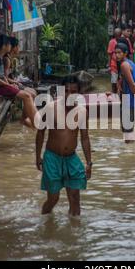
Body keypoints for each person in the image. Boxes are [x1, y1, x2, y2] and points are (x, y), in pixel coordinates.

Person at [36, 75, 92, 217]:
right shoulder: (50, 108)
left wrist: (89, 163)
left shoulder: (82, 112)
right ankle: (44, 221)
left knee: (75, 200)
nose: (69, 94)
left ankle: (74, 235)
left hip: (71, 158)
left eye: (73, 91)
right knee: (53, 199)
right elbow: (40, 133)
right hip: (52, 158)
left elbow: (85, 138)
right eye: (66, 91)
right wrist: (38, 157)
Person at [0, 34, 38, 128]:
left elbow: (2, 77)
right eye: (9, 44)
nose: (10, 46)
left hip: (2, 86)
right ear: (4, 46)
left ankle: (28, 120)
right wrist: (9, 85)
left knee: (29, 95)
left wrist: (10, 83)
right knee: (27, 96)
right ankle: (36, 124)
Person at [115, 42, 135, 144]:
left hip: (129, 102)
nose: (116, 55)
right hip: (133, 101)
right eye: (115, 53)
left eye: (119, 53)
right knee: (130, 129)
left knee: (128, 131)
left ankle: (129, 153)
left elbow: (132, 84)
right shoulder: (132, 64)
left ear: (125, 53)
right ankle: (131, 152)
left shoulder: (124, 65)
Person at [107, 28, 122, 93]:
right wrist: (109, 65)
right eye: (116, 35)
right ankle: (114, 96)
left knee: (122, 83)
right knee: (113, 82)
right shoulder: (111, 42)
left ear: (120, 35)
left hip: (122, 66)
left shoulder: (124, 41)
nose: (117, 36)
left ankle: (121, 98)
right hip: (114, 65)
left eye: (118, 35)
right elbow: (109, 54)